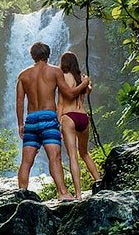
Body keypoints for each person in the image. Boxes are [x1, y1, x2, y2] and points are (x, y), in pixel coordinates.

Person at [16, 42, 90, 199]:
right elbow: (70, 94)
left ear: (32, 55)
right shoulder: (55, 72)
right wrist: (84, 84)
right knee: (54, 157)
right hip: (48, 118)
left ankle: (21, 195)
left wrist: (20, 123)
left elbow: (19, 102)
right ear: (48, 55)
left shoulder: (23, 75)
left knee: (26, 161)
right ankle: (63, 193)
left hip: (31, 119)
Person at [57, 51, 100, 199]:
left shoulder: (62, 77)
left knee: (73, 156)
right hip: (83, 116)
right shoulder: (82, 78)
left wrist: (58, 124)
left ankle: (78, 194)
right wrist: (86, 82)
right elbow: (88, 90)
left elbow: (61, 103)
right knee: (84, 153)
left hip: (68, 117)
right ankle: (99, 182)